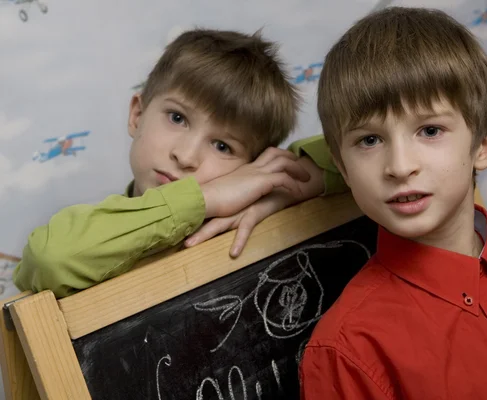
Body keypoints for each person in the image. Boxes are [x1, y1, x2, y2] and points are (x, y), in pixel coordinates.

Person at [300, 7, 487, 400]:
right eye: (369, 140)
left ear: (484, 144)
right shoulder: (347, 351)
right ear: (342, 164)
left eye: (430, 130)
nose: (400, 166)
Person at [12, 28, 343, 299]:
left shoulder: (261, 216)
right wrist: (204, 199)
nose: (186, 157)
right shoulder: (91, 235)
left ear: (253, 167)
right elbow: (48, 259)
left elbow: (373, 161)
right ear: (137, 115)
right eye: (177, 117)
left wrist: (290, 185)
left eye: (222, 146)